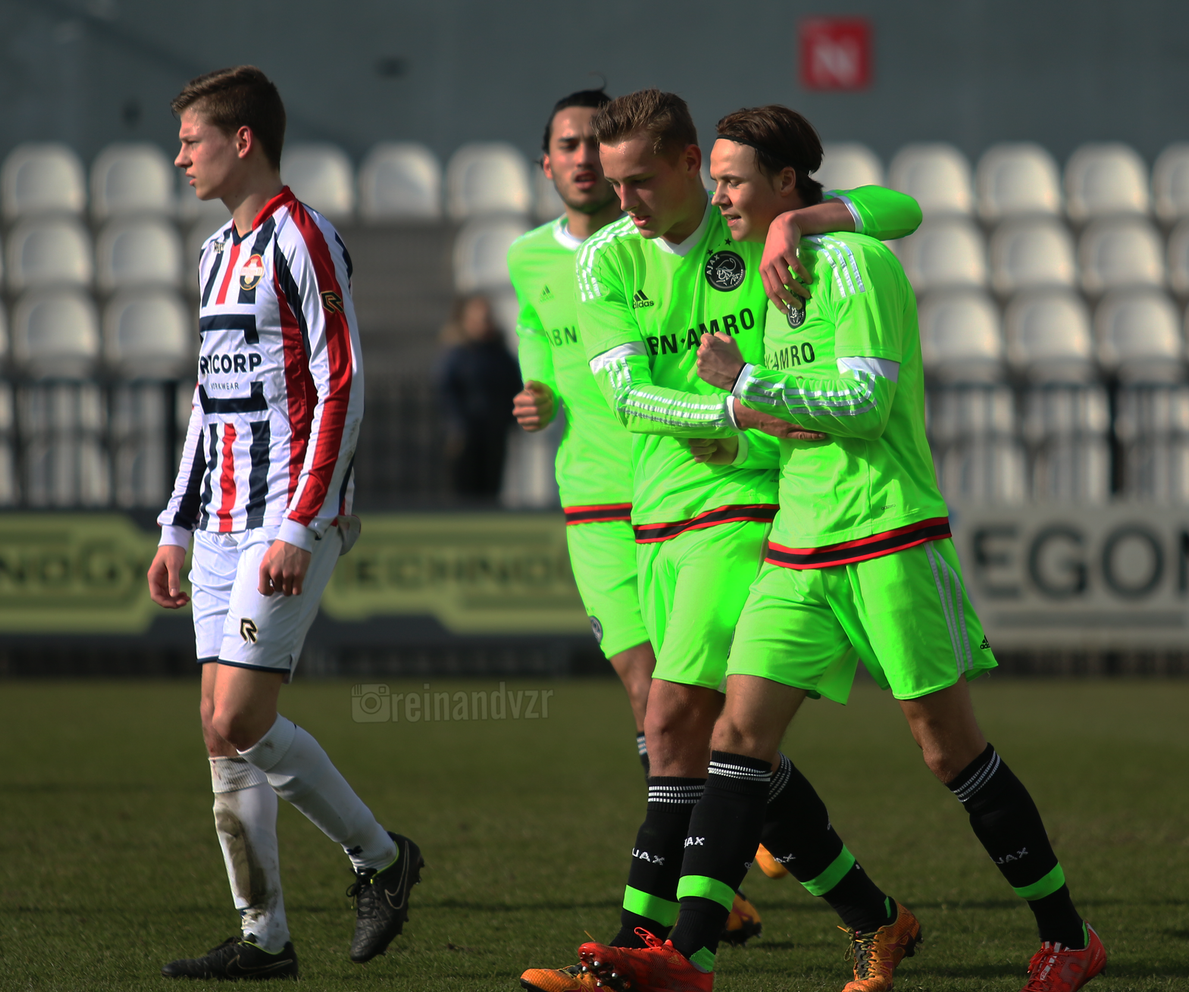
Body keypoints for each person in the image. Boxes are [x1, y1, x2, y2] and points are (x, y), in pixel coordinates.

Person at [583, 105, 1105, 992]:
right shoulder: (769, 275)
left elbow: (863, 405)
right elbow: (786, 412)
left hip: (888, 532)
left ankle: (1067, 933)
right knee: (736, 737)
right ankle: (688, 955)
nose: (718, 195)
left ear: (786, 184)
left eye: (733, 180)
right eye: (715, 179)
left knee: (947, 749)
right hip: (798, 542)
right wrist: (741, 419)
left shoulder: (856, 264)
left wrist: (745, 385)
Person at [528, 89, 924, 991]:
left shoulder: (749, 229)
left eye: (639, 181)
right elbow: (627, 397)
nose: (622, 199)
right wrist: (729, 410)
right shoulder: (605, 260)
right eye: (614, 183)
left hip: (748, 508)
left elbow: (902, 209)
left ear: (686, 164)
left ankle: (636, 952)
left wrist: (801, 222)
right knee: (730, 746)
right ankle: (872, 913)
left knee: (671, 722)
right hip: (654, 520)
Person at [147, 65, 421, 980]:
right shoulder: (212, 254)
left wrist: (301, 524)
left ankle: (381, 857)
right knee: (217, 727)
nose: (180, 156)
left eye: (191, 139)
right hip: (220, 519)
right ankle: (264, 937)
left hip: (284, 512)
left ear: (242, 140)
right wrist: (176, 524)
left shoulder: (305, 238)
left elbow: (343, 383)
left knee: (241, 713)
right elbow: (208, 403)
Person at [438, 294, 523, 499]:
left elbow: (514, 386)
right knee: (464, 492)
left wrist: (509, 420)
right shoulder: (457, 355)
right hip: (466, 437)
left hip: (494, 434)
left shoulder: (500, 355)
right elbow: (447, 391)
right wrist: (458, 425)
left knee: (491, 491)